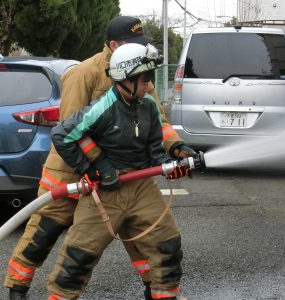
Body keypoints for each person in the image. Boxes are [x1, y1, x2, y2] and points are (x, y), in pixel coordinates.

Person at [4, 16, 196, 300]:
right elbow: (71, 128)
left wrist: (177, 149)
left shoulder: (139, 73)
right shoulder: (85, 73)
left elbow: (157, 120)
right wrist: (96, 168)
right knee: (43, 236)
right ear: (114, 45)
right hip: (70, 173)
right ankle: (17, 287)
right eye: (136, 44)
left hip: (120, 177)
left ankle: (153, 286)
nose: (142, 50)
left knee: (141, 234)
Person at [47, 43, 188, 299]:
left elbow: (155, 148)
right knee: (78, 258)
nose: (148, 86)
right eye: (144, 80)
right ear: (127, 79)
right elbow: (62, 135)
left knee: (167, 246)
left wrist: (169, 166)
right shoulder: (102, 108)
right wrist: (89, 169)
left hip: (141, 186)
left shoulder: (148, 107)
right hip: (106, 192)